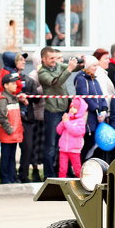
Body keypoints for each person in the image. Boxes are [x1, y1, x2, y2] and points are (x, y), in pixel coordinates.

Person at [37, 47, 78, 177]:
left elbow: (74, 67)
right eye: (51, 58)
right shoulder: (42, 73)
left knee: (64, 143)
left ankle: (61, 172)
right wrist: (69, 69)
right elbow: (56, 83)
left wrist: (80, 62)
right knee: (51, 145)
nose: (54, 61)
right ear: (43, 59)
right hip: (52, 112)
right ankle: (49, 175)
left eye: (56, 58)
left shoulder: (59, 66)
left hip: (64, 111)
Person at [0, 72, 25, 184]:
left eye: (15, 83)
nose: (16, 85)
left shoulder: (14, 97)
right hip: (8, 134)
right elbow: (2, 117)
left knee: (12, 157)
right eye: (12, 83)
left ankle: (12, 177)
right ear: (6, 85)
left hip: (15, 133)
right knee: (6, 157)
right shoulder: (3, 99)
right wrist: (10, 130)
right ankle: (5, 178)